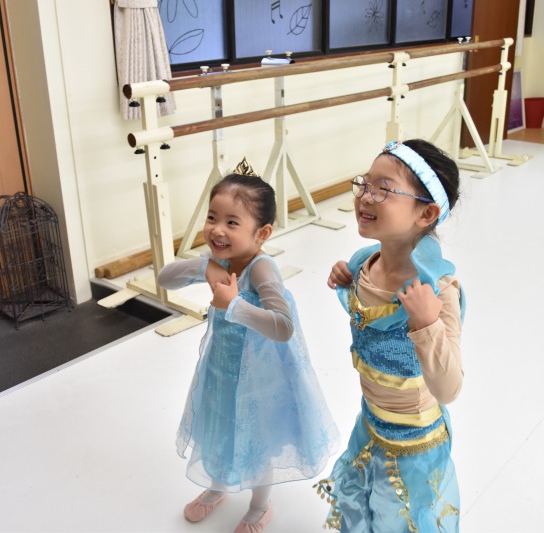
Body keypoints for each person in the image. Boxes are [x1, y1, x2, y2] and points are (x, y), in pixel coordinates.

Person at [158, 161, 339, 533]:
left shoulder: (261, 269)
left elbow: (283, 327)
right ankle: (218, 486)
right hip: (222, 368)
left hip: (261, 377)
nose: (217, 229)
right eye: (212, 217)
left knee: (258, 439)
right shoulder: (219, 259)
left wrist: (234, 305)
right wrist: (205, 267)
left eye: (232, 222)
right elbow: (164, 278)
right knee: (220, 426)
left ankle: (259, 507)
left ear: (262, 233)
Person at [317, 139, 465, 532]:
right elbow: (368, 322)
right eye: (364, 183)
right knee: (361, 510)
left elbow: (449, 388)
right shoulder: (363, 264)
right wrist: (346, 281)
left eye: (383, 189)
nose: (365, 196)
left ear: (426, 213)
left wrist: (428, 324)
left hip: (414, 445)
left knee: (398, 521)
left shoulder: (438, 292)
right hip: (370, 426)